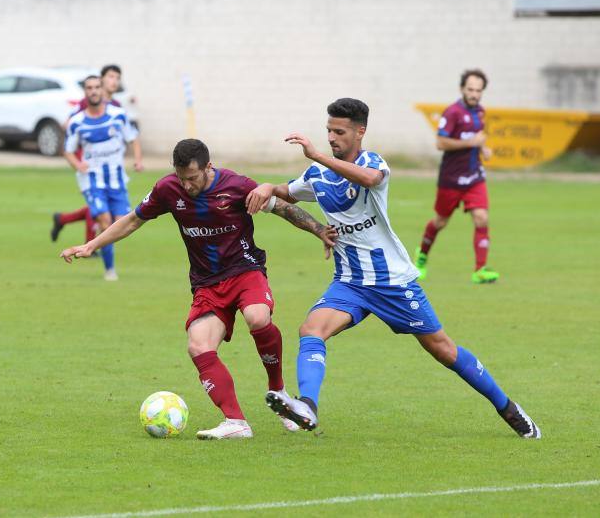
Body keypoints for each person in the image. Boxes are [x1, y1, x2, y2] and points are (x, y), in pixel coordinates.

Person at [246, 98, 540, 439]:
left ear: (360, 131)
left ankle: (508, 408)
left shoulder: (373, 163)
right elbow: (288, 192)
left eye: (339, 131)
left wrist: (316, 155)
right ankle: (307, 407)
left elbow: (370, 179)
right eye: (328, 130)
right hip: (350, 283)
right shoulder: (318, 174)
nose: (332, 137)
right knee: (311, 330)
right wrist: (268, 187)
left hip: (392, 283)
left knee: (443, 349)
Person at [61, 138, 338, 439]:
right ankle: (236, 422)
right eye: (181, 178)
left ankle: (279, 391)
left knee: (258, 317)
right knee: (198, 346)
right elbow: (132, 221)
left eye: (192, 178)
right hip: (207, 283)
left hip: (245, 271)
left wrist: (319, 230)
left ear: (208, 167)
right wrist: (91, 245)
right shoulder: (168, 189)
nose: (186, 185)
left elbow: (283, 208)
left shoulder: (237, 186)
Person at [414, 69, 498, 284]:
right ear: (462, 89)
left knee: (482, 217)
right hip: (451, 179)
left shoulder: (480, 112)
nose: (474, 94)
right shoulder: (452, 112)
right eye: (470, 89)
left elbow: (478, 138)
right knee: (441, 222)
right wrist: (472, 143)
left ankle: (480, 270)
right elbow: (441, 143)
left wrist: (483, 149)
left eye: (478, 90)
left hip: (474, 177)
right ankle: (421, 256)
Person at [52, 65, 143, 246]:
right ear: (102, 80)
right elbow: (68, 126)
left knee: (103, 210)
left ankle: (65, 221)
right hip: (87, 162)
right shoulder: (85, 104)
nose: (114, 81)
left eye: (117, 78)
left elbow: (128, 134)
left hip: (111, 166)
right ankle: (91, 243)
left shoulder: (115, 107)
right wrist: (78, 159)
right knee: (100, 209)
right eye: (111, 77)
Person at [63, 74, 139, 280]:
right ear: (85, 92)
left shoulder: (117, 114)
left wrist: (138, 160)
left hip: (117, 179)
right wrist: (78, 165)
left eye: (97, 87)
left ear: (101, 90)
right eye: (89, 88)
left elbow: (133, 137)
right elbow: (68, 150)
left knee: (121, 222)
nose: (94, 91)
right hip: (92, 180)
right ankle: (110, 270)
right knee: (106, 222)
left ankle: (98, 231)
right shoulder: (77, 121)